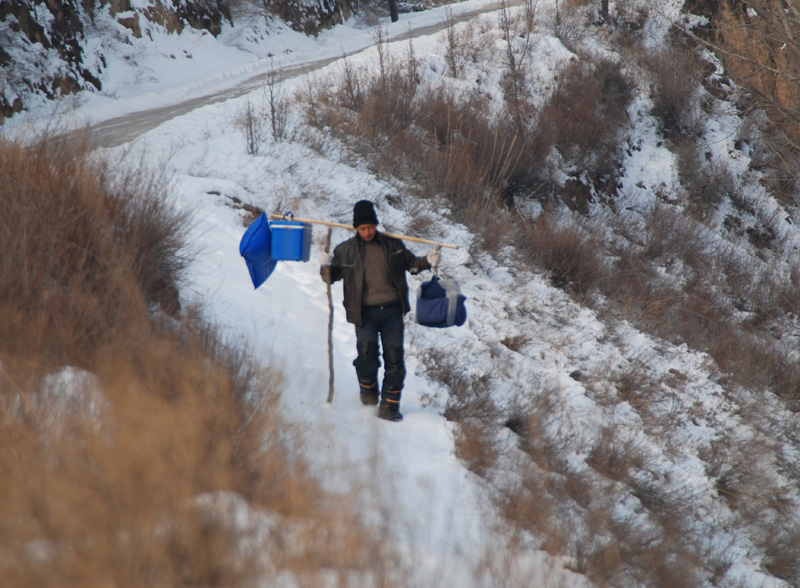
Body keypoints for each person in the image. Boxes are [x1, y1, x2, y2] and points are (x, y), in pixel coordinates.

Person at [320, 200, 440, 422]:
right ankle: (368, 394)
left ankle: (389, 407)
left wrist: (428, 261)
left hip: (392, 311)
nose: (367, 232)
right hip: (363, 313)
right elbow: (331, 277)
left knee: (394, 359)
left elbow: (411, 264)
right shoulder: (344, 250)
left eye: (371, 227)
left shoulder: (393, 245)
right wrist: (326, 266)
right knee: (367, 358)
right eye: (363, 228)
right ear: (356, 228)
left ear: (376, 225)